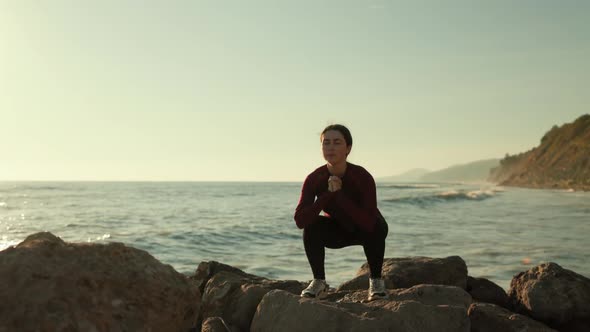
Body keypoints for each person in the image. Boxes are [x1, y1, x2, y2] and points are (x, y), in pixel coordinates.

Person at [294, 124, 389, 301]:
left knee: (377, 225)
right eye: (326, 143)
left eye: (337, 142)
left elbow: (368, 222)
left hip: (365, 229)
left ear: (348, 148)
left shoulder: (362, 176)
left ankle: (376, 282)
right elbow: (300, 220)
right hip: (337, 231)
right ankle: (319, 282)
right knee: (312, 225)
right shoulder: (315, 178)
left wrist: (339, 196)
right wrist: (327, 195)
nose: (330, 147)